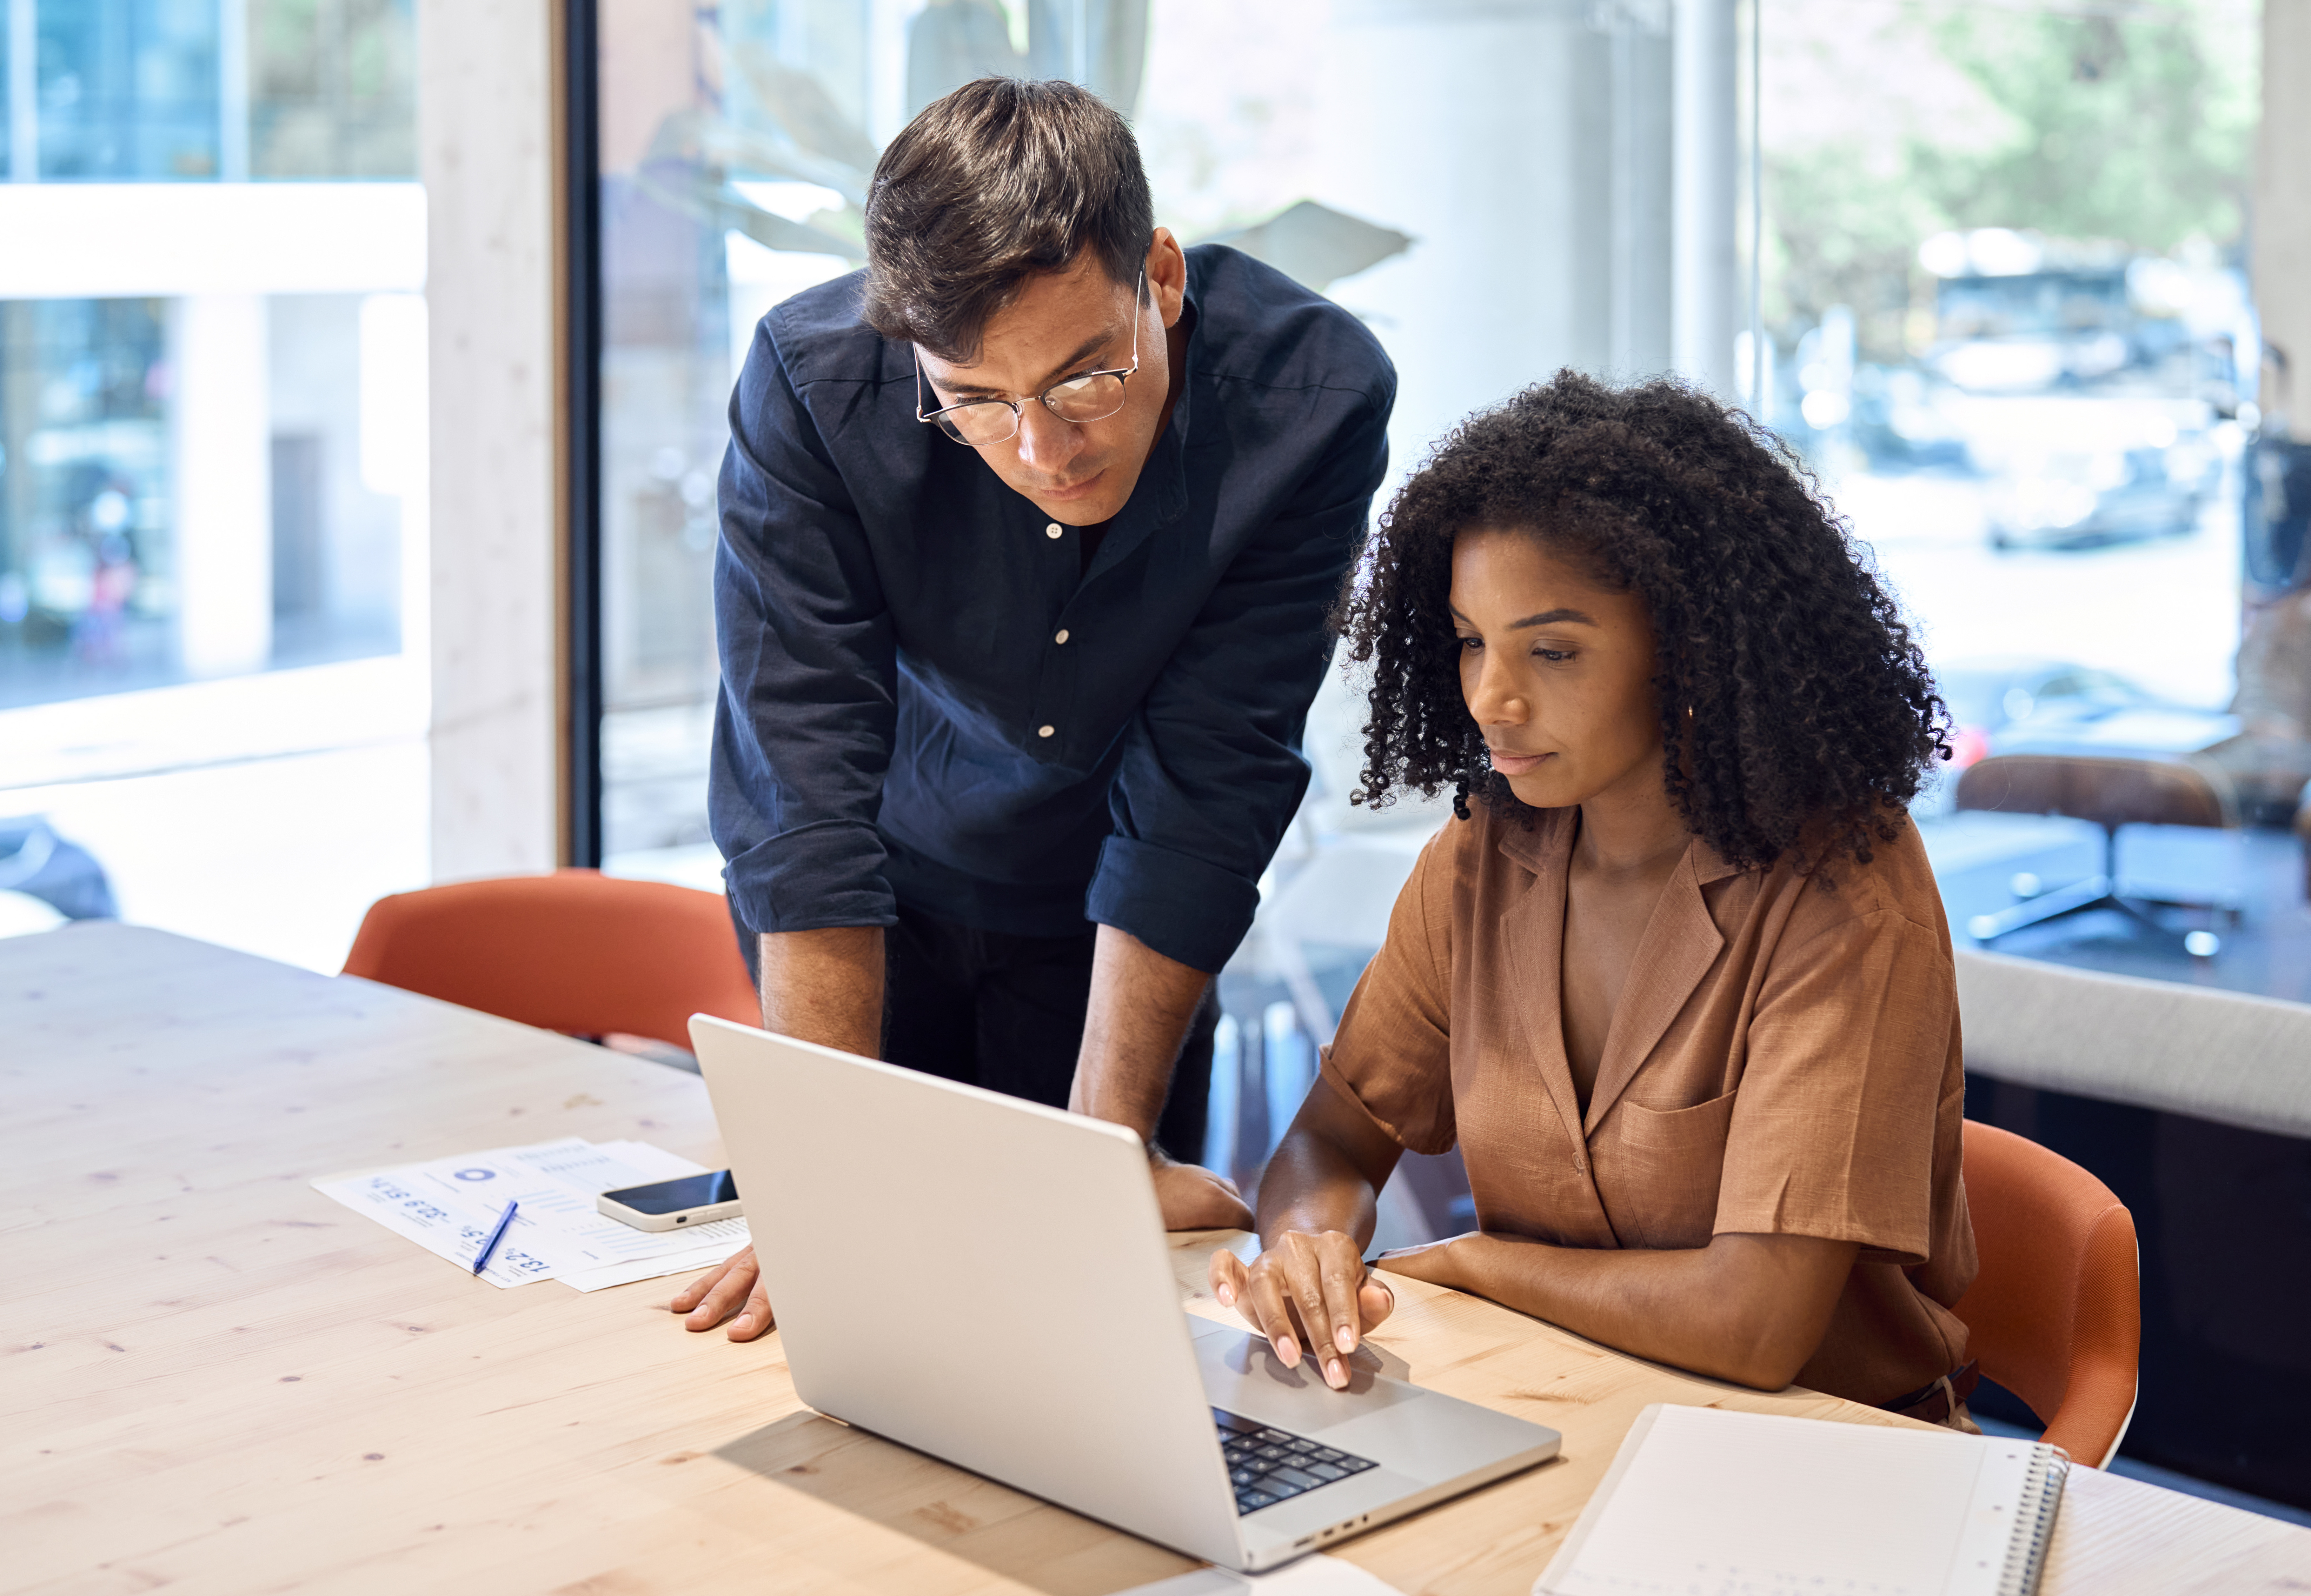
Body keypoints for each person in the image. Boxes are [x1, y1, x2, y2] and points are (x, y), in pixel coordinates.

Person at [676, 78, 1395, 1341]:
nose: (1044, 450)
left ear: (1160, 275)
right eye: (976, 401)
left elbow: (1208, 783)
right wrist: (824, 1181)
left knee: (1083, 1323)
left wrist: (1104, 1148)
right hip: (873, 914)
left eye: (1084, 379)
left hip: (1117, 932)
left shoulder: (1311, 397)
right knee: (849, 1301)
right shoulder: (814, 386)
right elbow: (801, 785)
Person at [1212, 373, 1981, 1424]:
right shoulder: (1482, 855)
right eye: (1471, 639)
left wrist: (1480, 1265)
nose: (1491, 696)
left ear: (1691, 646)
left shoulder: (1839, 884)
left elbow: (1751, 1325)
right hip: (1560, 1405)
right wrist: (1306, 1241)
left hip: (1826, 1456)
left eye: (1553, 650)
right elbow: (1332, 1142)